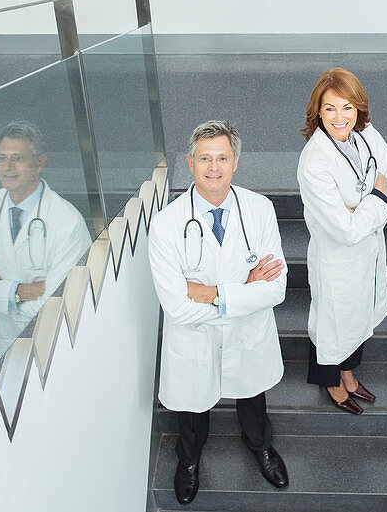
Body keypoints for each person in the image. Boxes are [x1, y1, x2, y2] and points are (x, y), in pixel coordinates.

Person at [147, 120, 289, 506]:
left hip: (246, 337)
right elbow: (176, 307)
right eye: (205, 158)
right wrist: (244, 291)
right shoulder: (166, 225)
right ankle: (189, 461)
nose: (214, 167)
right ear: (190, 163)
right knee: (192, 411)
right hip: (195, 339)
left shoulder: (259, 209)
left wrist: (210, 295)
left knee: (252, 398)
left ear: (235, 162)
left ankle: (261, 446)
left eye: (222, 158)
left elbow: (275, 288)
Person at [297, 68, 387, 415]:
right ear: (318, 112)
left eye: (347, 107)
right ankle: (331, 381)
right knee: (332, 325)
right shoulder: (314, 161)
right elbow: (345, 230)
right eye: (330, 109)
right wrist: (376, 197)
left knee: (357, 320)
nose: (340, 117)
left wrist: (360, 210)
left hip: (367, 252)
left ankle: (348, 373)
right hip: (337, 261)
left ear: (358, 108)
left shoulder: (367, 134)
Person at [0, 121, 91, 356]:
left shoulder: (68, 222)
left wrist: (0, 287)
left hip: (56, 341)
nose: (8, 167)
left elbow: (57, 302)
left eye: (18, 158)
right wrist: (22, 291)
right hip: (7, 342)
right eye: (1, 158)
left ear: (40, 161)